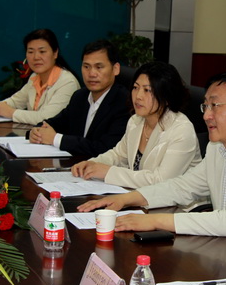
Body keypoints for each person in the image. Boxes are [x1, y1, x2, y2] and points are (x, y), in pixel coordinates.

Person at [78, 70, 226, 264]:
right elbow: (184, 186)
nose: (207, 115)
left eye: (215, 106)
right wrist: (126, 199)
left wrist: (155, 221)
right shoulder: (218, 146)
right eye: (205, 106)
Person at [71, 61, 202, 189]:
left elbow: (161, 181)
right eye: (135, 87)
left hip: (175, 202)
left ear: (167, 97)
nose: (138, 96)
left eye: (147, 90)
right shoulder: (135, 121)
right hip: (139, 197)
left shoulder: (182, 130)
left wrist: (108, 172)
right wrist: (92, 163)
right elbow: (118, 155)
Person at [28, 40, 130, 157]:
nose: (92, 74)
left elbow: (104, 149)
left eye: (99, 67)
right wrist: (37, 131)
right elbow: (55, 123)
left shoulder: (124, 102)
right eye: (86, 67)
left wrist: (55, 138)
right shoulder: (80, 96)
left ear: (115, 69)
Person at [0, 29, 80, 124]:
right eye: (30, 52)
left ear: (55, 53)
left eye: (42, 51)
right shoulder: (35, 77)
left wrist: (11, 113)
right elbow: (14, 102)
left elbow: (47, 118)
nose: (36, 57)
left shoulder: (67, 82)